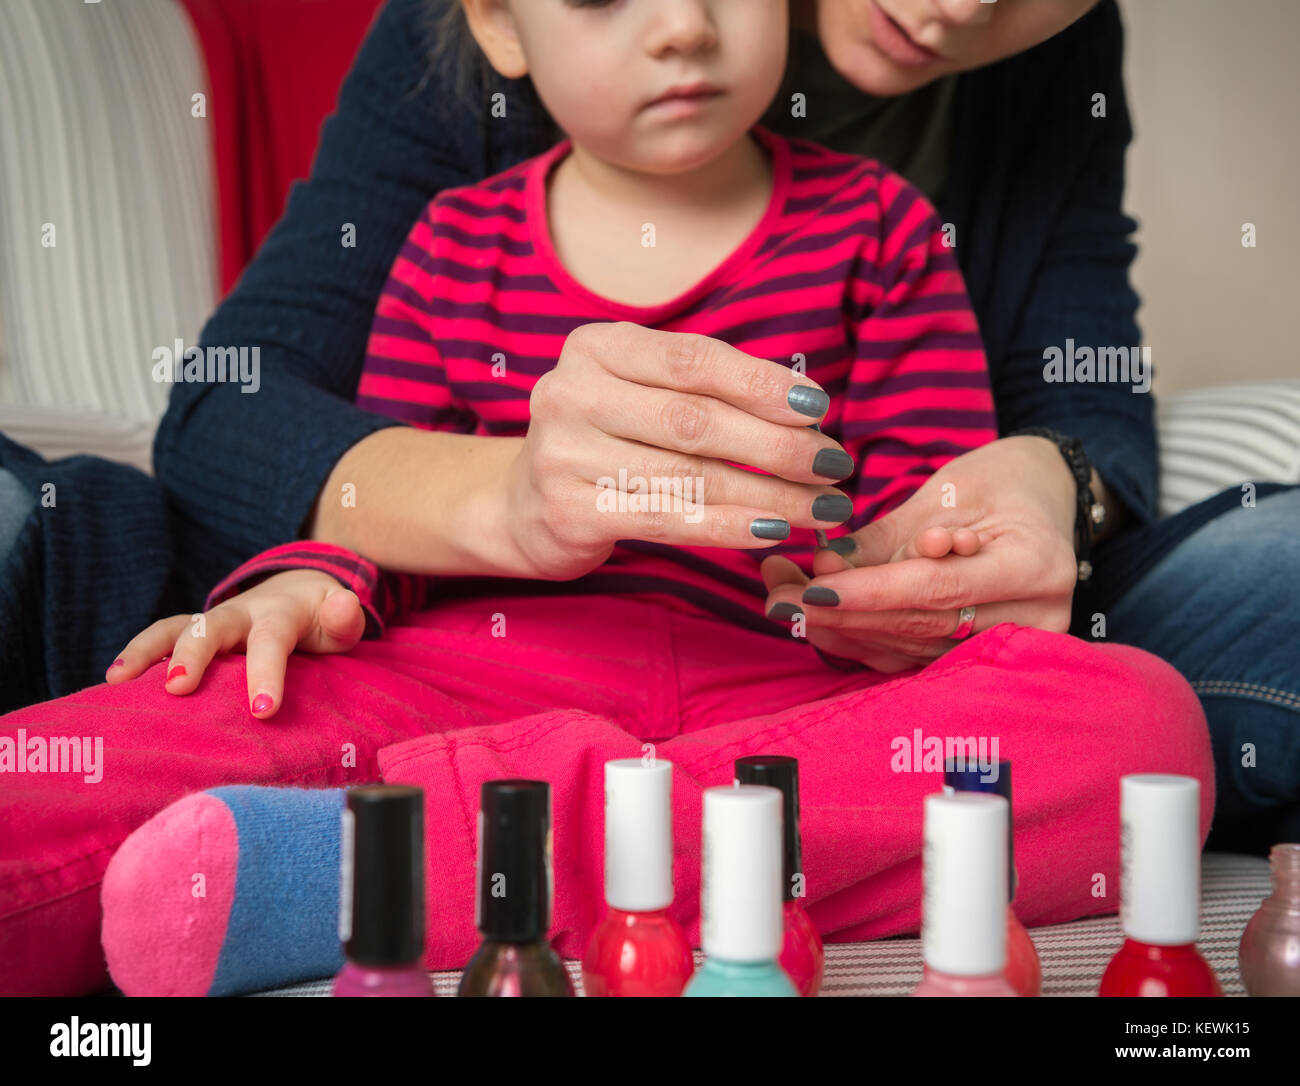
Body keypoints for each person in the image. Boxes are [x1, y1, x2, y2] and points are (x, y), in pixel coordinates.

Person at [0, 0, 1260, 997]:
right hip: (461, 674)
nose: (684, 29)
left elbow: (942, 517)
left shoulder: (889, 231)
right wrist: (305, 584)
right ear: (498, 26)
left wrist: (903, 570)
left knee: (1136, 725)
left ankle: (452, 850)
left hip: (787, 694)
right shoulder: (445, 242)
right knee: (157, 719)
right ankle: (667, 848)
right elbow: (370, 489)